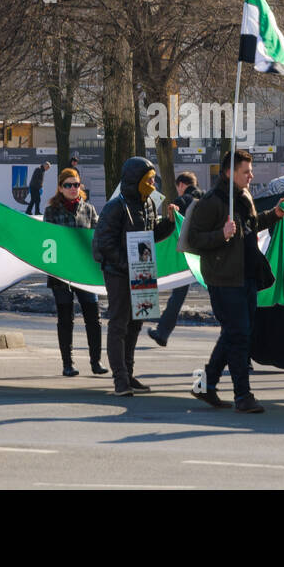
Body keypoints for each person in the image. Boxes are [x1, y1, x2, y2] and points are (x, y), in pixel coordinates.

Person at [186, 149, 284, 413]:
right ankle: (243, 395)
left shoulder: (243, 197)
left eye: (250, 171)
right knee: (239, 336)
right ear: (230, 172)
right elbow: (194, 240)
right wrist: (221, 234)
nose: (251, 176)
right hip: (224, 279)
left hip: (247, 276)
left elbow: (250, 226)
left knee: (235, 333)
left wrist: (272, 215)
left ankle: (205, 385)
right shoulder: (213, 201)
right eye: (246, 171)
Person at [93, 157, 177, 397]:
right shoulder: (115, 207)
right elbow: (104, 243)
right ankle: (120, 379)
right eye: (149, 178)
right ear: (136, 180)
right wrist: (126, 265)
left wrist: (169, 223)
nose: (153, 182)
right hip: (118, 274)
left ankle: (129, 374)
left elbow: (152, 234)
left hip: (142, 272)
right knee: (119, 324)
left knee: (136, 323)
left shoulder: (148, 204)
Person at [44, 168, 106, 376]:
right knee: (65, 317)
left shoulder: (88, 209)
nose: (73, 189)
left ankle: (96, 361)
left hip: (85, 271)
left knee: (93, 317)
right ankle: (67, 363)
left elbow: (96, 237)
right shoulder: (51, 211)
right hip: (61, 273)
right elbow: (47, 241)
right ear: (60, 188)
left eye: (76, 185)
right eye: (68, 185)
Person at [149, 172, 205, 347]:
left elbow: (169, 226)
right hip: (209, 253)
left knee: (178, 296)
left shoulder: (182, 201)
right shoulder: (206, 198)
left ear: (181, 185)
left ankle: (163, 332)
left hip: (187, 258)